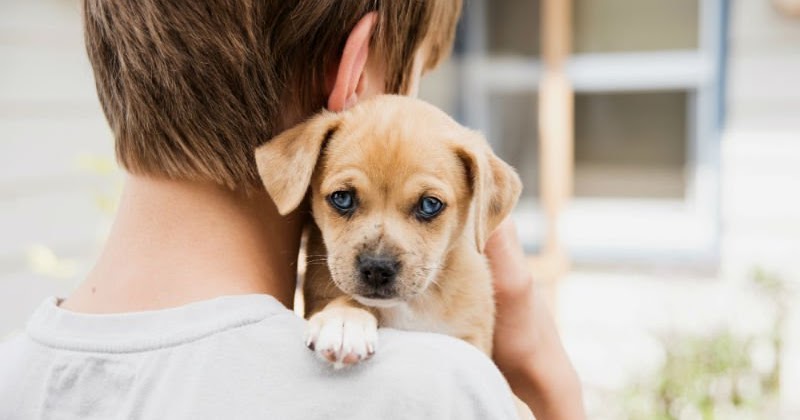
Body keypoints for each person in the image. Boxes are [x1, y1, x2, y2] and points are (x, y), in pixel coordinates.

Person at [0, 1, 585, 419]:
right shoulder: (434, 390)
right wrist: (549, 385)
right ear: (351, 75)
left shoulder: (13, 379)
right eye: (413, 81)